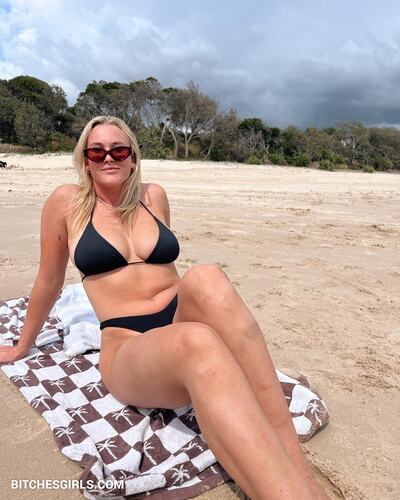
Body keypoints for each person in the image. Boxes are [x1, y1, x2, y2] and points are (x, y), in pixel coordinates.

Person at [0, 116, 328, 499]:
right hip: (129, 344)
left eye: (118, 150)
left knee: (206, 275)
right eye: (97, 151)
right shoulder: (66, 203)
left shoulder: (153, 196)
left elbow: (164, 269)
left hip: (179, 317)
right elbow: (49, 281)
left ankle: (292, 456)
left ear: (133, 157)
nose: (109, 157)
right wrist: (23, 346)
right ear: (85, 160)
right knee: (196, 340)